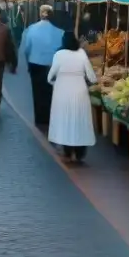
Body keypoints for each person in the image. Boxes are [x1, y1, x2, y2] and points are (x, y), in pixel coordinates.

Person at [47, 31, 98, 162]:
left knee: (65, 120)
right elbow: (92, 77)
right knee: (79, 119)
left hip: (62, 91)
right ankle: (80, 152)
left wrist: (55, 83)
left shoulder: (58, 54)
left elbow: (50, 76)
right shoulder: (81, 53)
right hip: (79, 89)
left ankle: (67, 150)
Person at [20, 5, 65, 129]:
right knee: (51, 92)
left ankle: (40, 118)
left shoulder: (30, 30)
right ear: (52, 15)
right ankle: (51, 117)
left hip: (35, 64)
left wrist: (27, 63)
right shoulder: (60, 32)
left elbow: (26, 49)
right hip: (53, 65)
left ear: (40, 14)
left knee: (37, 92)